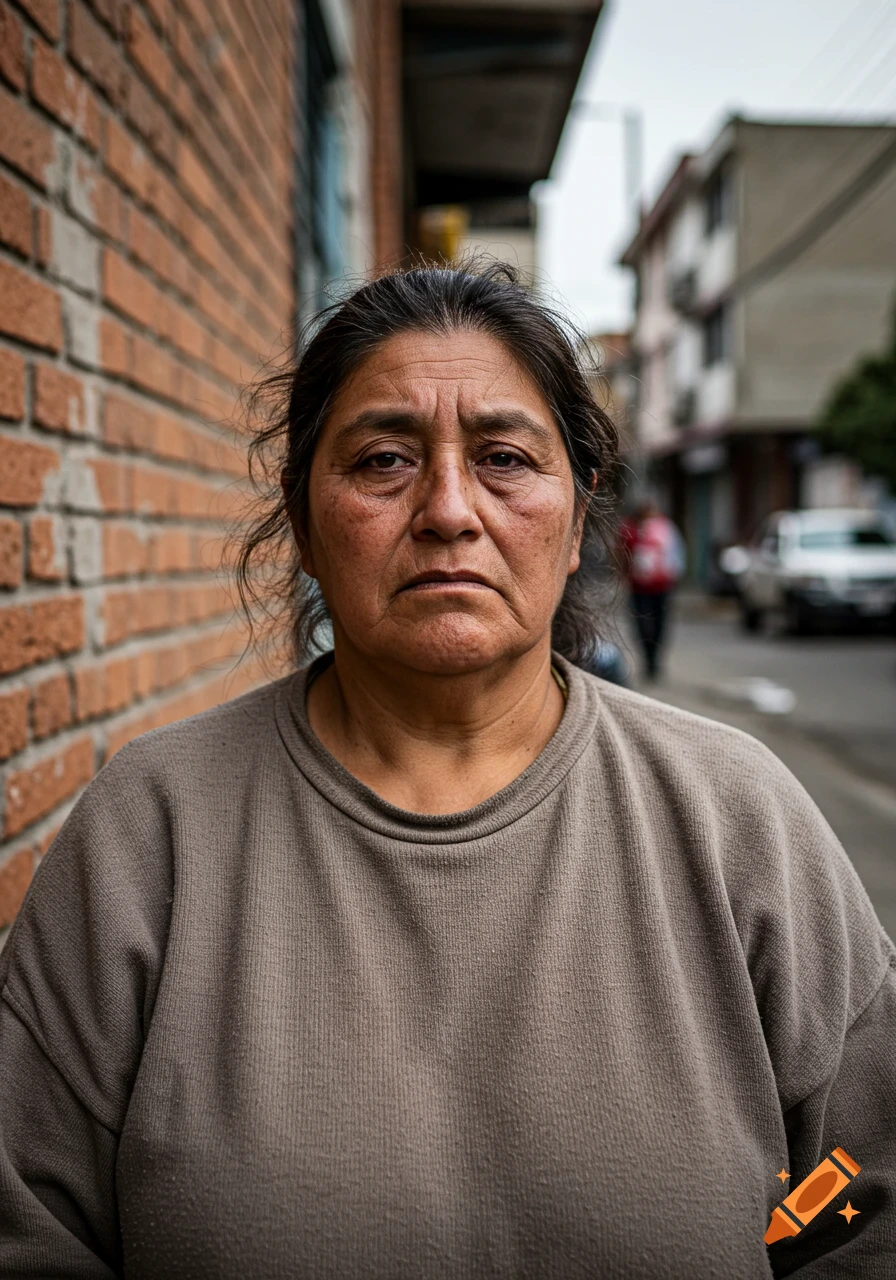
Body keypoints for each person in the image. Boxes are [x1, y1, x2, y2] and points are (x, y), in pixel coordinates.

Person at [0, 264, 894, 1279]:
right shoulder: (149, 833)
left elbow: (865, 1203)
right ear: (300, 516)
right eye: (382, 459)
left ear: (574, 516)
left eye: (505, 456)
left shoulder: (736, 819)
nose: (449, 509)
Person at [620, 498, 685, 680]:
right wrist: (623, 576)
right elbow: (621, 554)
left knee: (660, 624)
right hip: (638, 588)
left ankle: (655, 659)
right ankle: (647, 658)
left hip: (662, 587)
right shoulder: (630, 530)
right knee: (641, 625)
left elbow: (676, 553)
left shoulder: (665, 529)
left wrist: (674, 575)